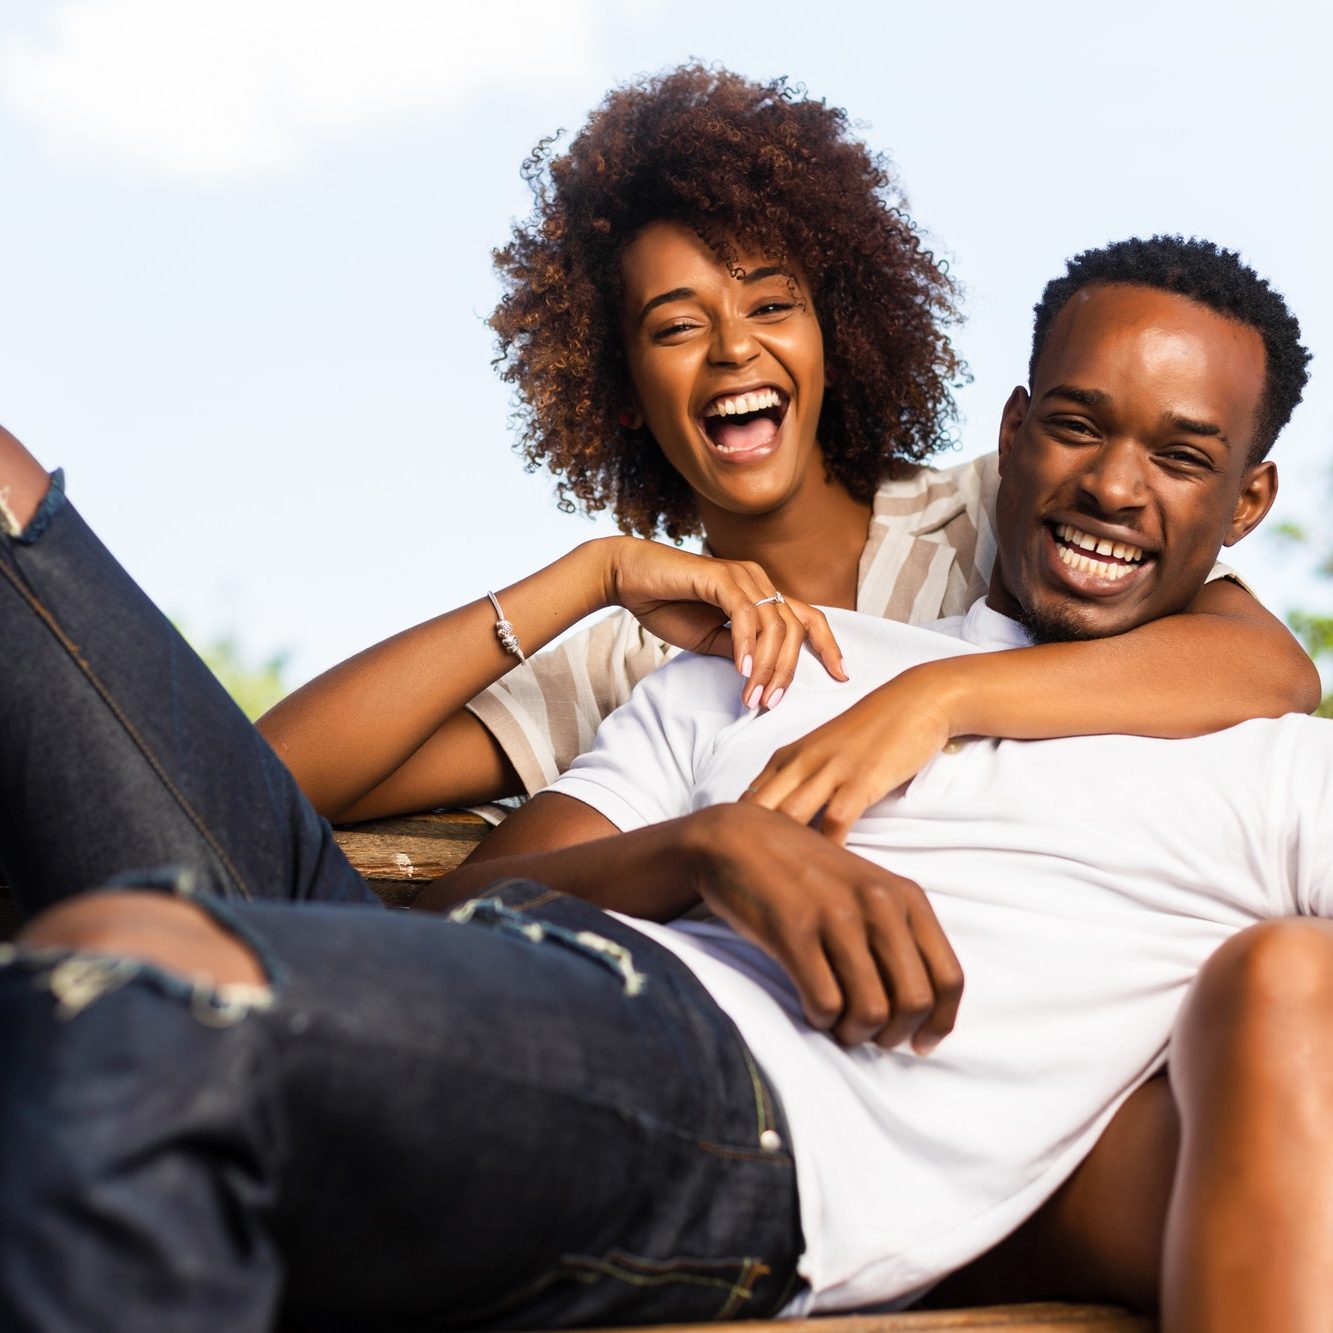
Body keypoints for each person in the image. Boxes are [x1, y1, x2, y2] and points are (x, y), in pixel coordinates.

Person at [0, 236, 1326, 1333]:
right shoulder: (762, 658)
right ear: (1016, 433)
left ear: (1248, 500)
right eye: (1081, 428)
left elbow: (1270, 674)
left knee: (131, 983)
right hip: (529, 987)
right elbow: (462, 903)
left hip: (747, 1114)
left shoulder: (1257, 758)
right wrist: (707, 848)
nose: (1110, 483)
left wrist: (941, 704)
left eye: (1179, 455)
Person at [255, 65, 1315, 832]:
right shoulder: (629, 650)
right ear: (622, 392)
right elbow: (258, 782)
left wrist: (932, 698)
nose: (731, 348)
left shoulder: (994, 508)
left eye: (772, 304)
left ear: (835, 336)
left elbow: (1265, 666)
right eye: (676, 326)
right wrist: (593, 573)